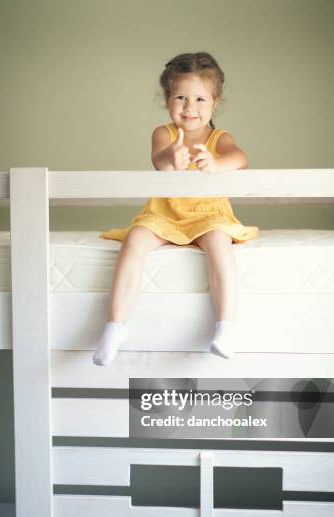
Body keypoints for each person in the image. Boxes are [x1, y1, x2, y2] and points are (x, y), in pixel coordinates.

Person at [93, 51, 258, 366]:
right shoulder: (164, 133)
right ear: (167, 99)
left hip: (209, 213)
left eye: (199, 99)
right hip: (165, 212)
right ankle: (115, 326)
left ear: (215, 102)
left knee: (218, 245)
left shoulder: (219, 137)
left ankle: (226, 326)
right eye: (181, 97)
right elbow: (159, 159)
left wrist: (217, 162)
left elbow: (240, 158)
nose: (190, 107)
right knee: (135, 241)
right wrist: (172, 158)